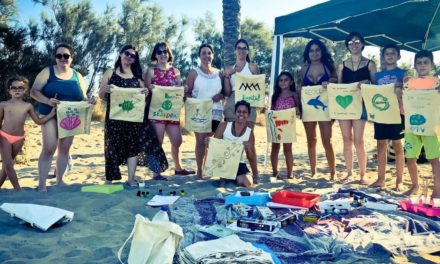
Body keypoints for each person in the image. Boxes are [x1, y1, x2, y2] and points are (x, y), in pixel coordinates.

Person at [98, 45, 168, 184]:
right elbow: (101, 96)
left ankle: (131, 179)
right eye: (127, 53)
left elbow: (144, 98)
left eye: (133, 56)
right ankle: (109, 180)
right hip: (114, 118)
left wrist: (146, 93)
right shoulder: (110, 72)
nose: (129, 57)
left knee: (132, 148)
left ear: (135, 59)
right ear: (120, 54)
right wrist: (104, 89)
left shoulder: (137, 77)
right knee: (112, 148)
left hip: (134, 119)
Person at [31, 43, 94, 192]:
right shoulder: (47, 72)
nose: (62, 58)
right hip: (49, 114)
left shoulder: (77, 76)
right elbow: (34, 92)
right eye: (59, 55)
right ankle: (42, 185)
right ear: (55, 58)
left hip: (70, 116)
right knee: (49, 147)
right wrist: (47, 101)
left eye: (66, 55)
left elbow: (83, 98)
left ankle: (60, 180)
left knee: (64, 149)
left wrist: (89, 101)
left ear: (72, 58)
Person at [144, 42, 194, 176]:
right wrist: (150, 89)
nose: (162, 54)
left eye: (165, 51)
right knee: (158, 141)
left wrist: (184, 90)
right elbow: (145, 91)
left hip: (172, 112)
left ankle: (178, 168)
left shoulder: (175, 72)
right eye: (159, 52)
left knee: (177, 141)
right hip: (157, 112)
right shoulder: (151, 71)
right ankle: (156, 172)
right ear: (155, 55)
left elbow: (178, 91)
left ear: (169, 54)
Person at [0, 76, 56, 191]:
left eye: (20, 87)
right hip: (4, 136)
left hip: (19, 138)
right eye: (14, 88)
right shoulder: (3, 104)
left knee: (7, 166)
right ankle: (18, 190)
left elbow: (38, 121)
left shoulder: (28, 106)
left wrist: (51, 114)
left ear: (25, 90)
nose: (17, 90)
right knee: (9, 165)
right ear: (9, 90)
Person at [337, 32, 377, 185]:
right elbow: (338, 87)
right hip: (344, 106)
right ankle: (348, 173)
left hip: (361, 105)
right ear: (347, 45)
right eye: (351, 42)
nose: (354, 44)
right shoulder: (342, 64)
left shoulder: (370, 64)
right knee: (347, 140)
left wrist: (367, 83)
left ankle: (363, 174)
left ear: (362, 44)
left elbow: (376, 87)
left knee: (358, 141)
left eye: (357, 42)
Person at [403, 50, 440, 197]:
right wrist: (399, 88)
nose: (422, 65)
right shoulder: (409, 82)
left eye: (426, 62)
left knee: (434, 159)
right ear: (415, 65)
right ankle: (414, 185)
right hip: (411, 128)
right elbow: (403, 100)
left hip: (432, 128)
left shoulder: (437, 83)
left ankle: (437, 190)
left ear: (432, 64)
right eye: (419, 63)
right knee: (410, 158)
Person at [223, 39, 260, 183]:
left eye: (244, 48)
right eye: (239, 48)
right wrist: (229, 74)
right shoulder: (229, 68)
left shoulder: (252, 67)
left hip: (249, 103)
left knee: (248, 141)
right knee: (230, 140)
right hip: (232, 102)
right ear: (235, 50)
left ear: (248, 51)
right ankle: (228, 172)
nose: (241, 51)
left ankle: (255, 173)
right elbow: (226, 92)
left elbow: (258, 87)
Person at [186, 44, 224, 179]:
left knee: (209, 141)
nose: (206, 56)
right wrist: (193, 102)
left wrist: (220, 96)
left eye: (209, 53)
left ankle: (207, 168)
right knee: (200, 141)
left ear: (212, 55)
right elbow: (188, 92)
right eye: (203, 53)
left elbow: (225, 92)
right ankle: (199, 170)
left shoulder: (220, 73)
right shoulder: (194, 73)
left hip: (216, 111)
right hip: (199, 111)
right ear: (199, 56)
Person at [300, 39, 337, 179]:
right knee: (311, 140)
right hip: (309, 108)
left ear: (322, 51)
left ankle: (333, 172)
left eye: (317, 50)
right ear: (307, 53)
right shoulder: (303, 70)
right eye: (311, 50)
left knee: (327, 141)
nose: (314, 53)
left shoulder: (329, 67)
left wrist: (331, 82)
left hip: (325, 108)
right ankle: (313, 172)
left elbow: (336, 80)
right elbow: (301, 89)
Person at [370, 44, 406, 191]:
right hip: (380, 114)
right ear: (383, 57)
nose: (390, 56)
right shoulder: (377, 76)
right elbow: (373, 93)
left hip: (397, 114)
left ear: (398, 56)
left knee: (398, 146)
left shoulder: (403, 74)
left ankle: (399, 180)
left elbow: (409, 91)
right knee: (381, 146)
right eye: (387, 54)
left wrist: (403, 86)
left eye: (393, 53)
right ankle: (381, 179)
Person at [213, 100, 258, 187]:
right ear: (234, 113)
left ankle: (234, 177)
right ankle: (226, 177)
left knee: (247, 183)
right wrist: (209, 143)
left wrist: (255, 174)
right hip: (224, 162)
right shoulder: (224, 126)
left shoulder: (249, 133)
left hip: (239, 163)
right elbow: (214, 147)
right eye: (239, 111)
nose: (241, 114)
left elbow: (251, 157)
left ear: (248, 115)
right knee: (222, 183)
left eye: (244, 112)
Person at [270, 71, 298, 180]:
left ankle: (290, 173)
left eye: (286, 80)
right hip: (276, 125)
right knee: (275, 148)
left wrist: (296, 110)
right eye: (281, 80)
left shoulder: (294, 95)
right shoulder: (275, 95)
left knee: (288, 149)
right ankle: (274, 172)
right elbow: (272, 110)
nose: (283, 82)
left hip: (289, 126)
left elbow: (299, 110)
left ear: (291, 82)